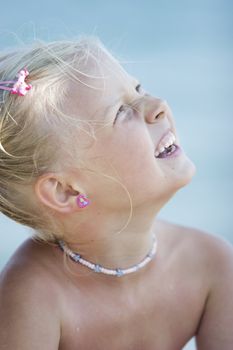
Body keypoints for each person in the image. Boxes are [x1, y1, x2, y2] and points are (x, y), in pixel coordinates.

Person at [0, 37, 232, 350]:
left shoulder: (212, 264)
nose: (158, 105)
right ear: (66, 191)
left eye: (139, 89)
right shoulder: (32, 298)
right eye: (122, 112)